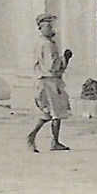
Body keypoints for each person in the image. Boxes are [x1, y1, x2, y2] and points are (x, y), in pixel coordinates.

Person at [28, 13, 73, 152]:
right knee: (54, 113)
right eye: (48, 26)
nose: (52, 29)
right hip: (49, 82)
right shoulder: (47, 45)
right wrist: (65, 58)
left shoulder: (42, 43)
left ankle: (54, 141)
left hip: (47, 81)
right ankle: (35, 137)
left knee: (53, 113)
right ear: (41, 27)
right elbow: (53, 66)